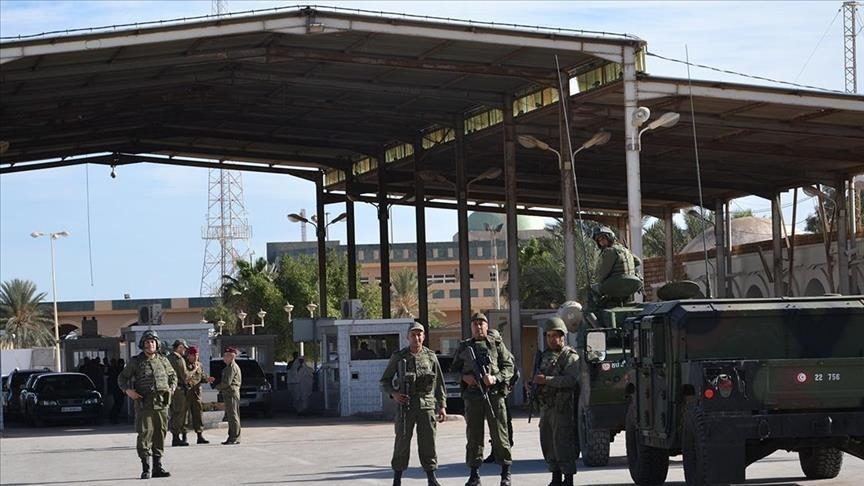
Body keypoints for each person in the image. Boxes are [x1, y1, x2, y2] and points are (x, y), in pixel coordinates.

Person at [451, 312, 515, 486]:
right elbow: (454, 370)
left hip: (494, 395)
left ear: (487, 326)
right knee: (474, 436)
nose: (479, 327)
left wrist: (495, 378)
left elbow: (509, 366)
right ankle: (474, 475)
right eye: (475, 324)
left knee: (500, 435)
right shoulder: (464, 347)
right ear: (471, 327)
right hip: (473, 397)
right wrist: (464, 378)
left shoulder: (496, 344)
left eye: (482, 324)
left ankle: (505, 474)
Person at [379, 322, 447, 486]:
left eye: (419, 334)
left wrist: (442, 406)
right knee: (402, 442)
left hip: (427, 405)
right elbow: (384, 381)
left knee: (428, 442)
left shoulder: (431, 356)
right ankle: (397, 479)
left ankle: (431, 478)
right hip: (406, 405)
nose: (416, 338)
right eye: (413, 335)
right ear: (407, 337)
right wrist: (394, 394)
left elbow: (439, 383)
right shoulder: (399, 356)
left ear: (424, 337)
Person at [117, 330, 177, 479]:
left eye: (153, 342)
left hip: (162, 403)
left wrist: (172, 387)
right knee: (145, 434)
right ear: (143, 344)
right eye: (147, 342)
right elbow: (122, 378)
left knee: (160, 433)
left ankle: (158, 467)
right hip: (145, 404)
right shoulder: (136, 362)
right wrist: (128, 391)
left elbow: (173, 375)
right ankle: (146, 468)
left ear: (157, 344)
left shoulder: (163, 360)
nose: (150, 344)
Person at [532, 317, 580, 486]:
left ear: (562, 336)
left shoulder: (569, 356)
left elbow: (571, 380)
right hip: (546, 406)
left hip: (562, 407)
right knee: (548, 443)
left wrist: (546, 380)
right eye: (549, 336)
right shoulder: (543, 356)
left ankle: (568, 478)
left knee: (563, 443)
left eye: (555, 335)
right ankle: (555, 477)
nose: (552, 339)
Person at [484, 328, 519, 464]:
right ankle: (496, 451)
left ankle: (504, 450)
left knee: (503, 423)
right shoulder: (488, 354)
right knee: (495, 423)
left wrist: (508, 385)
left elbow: (514, 373)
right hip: (491, 392)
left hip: (501, 393)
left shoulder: (505, 354)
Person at [209, 346, 242, 445]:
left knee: (233, 416)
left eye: (226, 356)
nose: (224, 358)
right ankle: (232, 436)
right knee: (231, 416)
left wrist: (216, 386)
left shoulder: (232, 367)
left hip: (231, 393)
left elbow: (227, 383)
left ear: (231, 356)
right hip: (228, 393)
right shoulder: (228, 367)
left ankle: (234, 437)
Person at [184, 346, 209, 444]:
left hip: (197, 393)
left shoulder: (199, 365)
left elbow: (202, 376)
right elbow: (185, 376)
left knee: (198, 414)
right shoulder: (184, 364)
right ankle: (184, 436)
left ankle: (200, 435)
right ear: (188, 356)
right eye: (193, 355)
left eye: (197, 355)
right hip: (186, 393)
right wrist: (194, 369)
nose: (195, 357)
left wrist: (207, 379)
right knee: (185, 415)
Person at [167, 339, 190, 447]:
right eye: (183, 348)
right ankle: (176, 437)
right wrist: (194, 370)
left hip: (171, 389)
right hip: (179, 389)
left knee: (174, 412)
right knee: (179, 413)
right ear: (179, 347)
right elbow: (185, 376)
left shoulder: (168, 358)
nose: (184, 350)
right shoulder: (178, 359)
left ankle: (176, 436)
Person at [107, 358, 126, 424]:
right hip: (118, 390)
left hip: (116, 390)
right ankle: (113, 417)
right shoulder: (119, 370)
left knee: (117, 404)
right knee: (118, 404)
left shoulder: (115, 370)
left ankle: (113, 417)